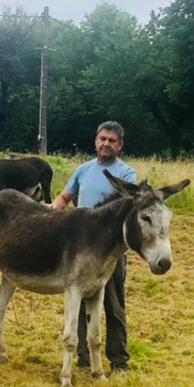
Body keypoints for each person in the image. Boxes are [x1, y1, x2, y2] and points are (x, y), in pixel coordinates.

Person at [49, 121, 136, 372]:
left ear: (120, 145)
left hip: (110, 252)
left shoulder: (127, 174)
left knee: (113, 305)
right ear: (96, 141)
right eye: (102, 139)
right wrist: (52, 211)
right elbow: (65, 197)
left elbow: (125, 207)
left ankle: (119, 361)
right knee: (78, 301)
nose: (105, 143)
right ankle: (84, 359)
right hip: (80, 249)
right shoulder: (83, 170)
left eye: (111, 140)